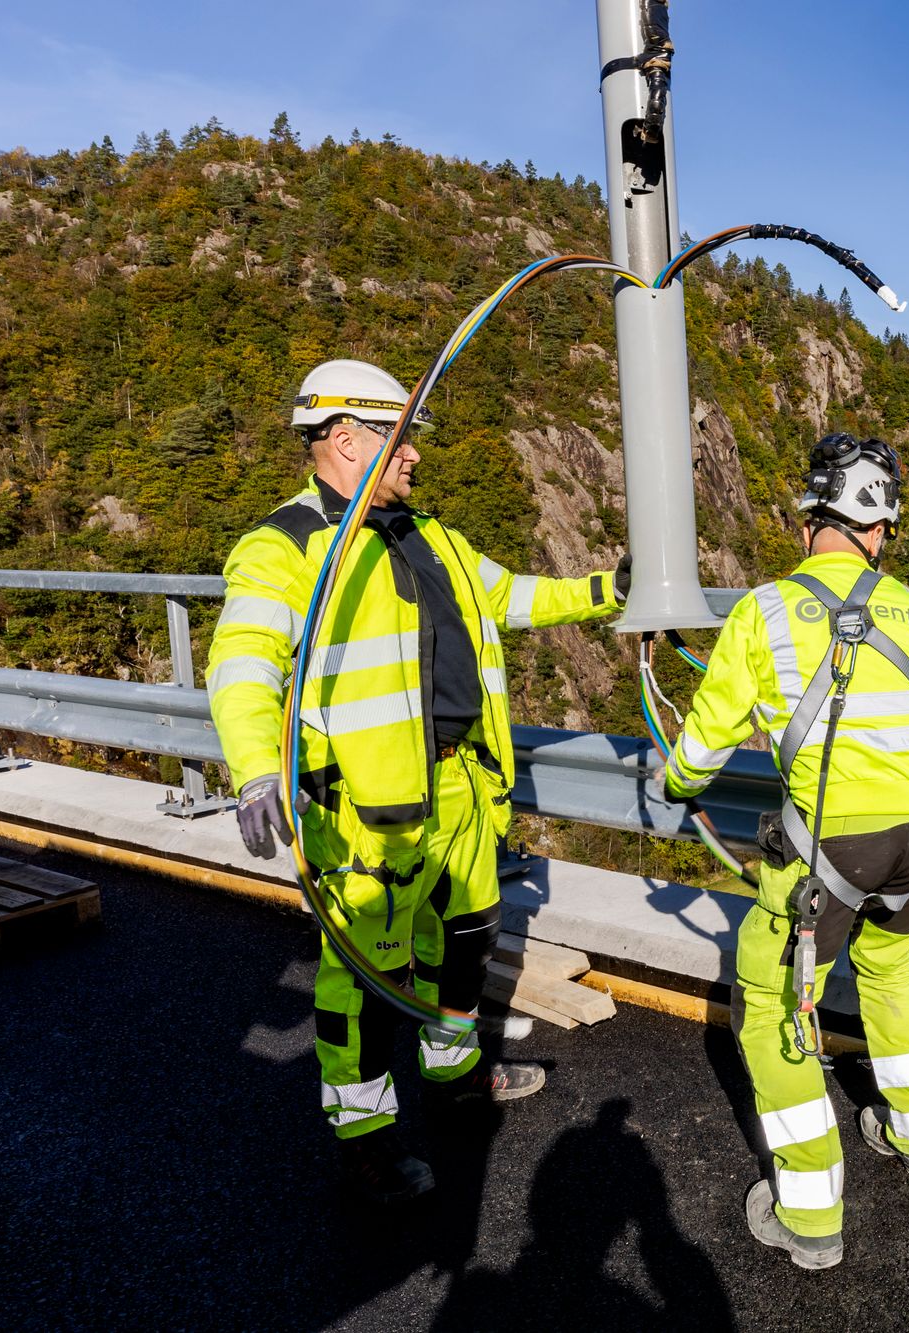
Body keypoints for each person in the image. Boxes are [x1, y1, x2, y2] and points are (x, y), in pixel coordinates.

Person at [207, 358, 630, 1204]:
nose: (415, 457)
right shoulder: (286, 546)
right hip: (369, 810)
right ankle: (365, 1137)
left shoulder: (428, 534)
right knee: (362, 980)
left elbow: (509, 596)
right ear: (344, 438)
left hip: (464, 788)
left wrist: (605, 590)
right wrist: (256, 772)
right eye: (401, 440)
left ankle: (454, 1074)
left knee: (465, 943)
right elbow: (243, 661)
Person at [663, 432, 909, 1269]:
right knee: (894, 971)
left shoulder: (763, 610)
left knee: (772, 1005)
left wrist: (678, 781)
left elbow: (708, 736)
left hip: (838, 846)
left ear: (809, 524)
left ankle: (811, 1212)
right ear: (880, 532)